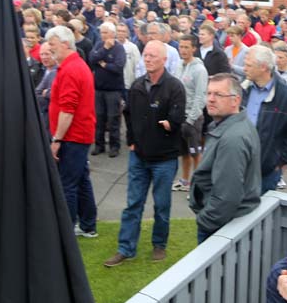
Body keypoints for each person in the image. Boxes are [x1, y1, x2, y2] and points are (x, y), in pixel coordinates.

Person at [106, 40, 186, 266]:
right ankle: (125, 248)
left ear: (164, 59)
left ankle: (159, 244)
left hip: (164, 158)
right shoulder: (137, 85)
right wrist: (131, 141)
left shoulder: (174, 87)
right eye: (146, 55)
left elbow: (178, 118)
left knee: (161, 205)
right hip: (138, 157)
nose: (148, 59)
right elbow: (128, 115)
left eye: (152, 55)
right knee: (133, 203)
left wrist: (170, 124)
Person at [189, 74, 261, 241]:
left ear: (235, 100)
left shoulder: (232, 138)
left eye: (218, 95)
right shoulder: (227, 125)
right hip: (224, 223)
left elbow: (227, 197)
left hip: (220, 227)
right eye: (208, 93)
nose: (211, 99)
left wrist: (204, 221)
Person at [46, 26, 99, 239]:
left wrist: (57, 139)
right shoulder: (73, 65)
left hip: (73, 136)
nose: (49, 49)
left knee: (67, 184)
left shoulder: (71, 69)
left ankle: (66, 230)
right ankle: (88, 225)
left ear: (65, 43)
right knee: (81, 180)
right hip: (78, 134)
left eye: (52, 44)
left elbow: (68, 110)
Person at [242, 45, 287, 194]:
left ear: (263, 67)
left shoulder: (286, 96)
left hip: (266, 172)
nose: (244, 68)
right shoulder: (243, 89)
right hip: (238, 166)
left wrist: (282, 162)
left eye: (248, 65)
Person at [172, 35, 208, 192]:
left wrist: (191, 120)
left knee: (195, 153)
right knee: (184, 153)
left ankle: (197, 185)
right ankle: (185, 181)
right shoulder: (178, 66)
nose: (183, 50)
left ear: (194, 48)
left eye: (187, 47)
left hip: (193, 120)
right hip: (179, 117)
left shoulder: (200, 69)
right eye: (181, 47)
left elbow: (201, 97)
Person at [89, 21, 127, 158]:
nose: (102, 35)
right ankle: (99, 145)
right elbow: (92, 59)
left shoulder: (119, 48)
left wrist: (104, 65)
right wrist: (104, 49)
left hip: (113, 90)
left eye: (105, 32)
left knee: (113, 119)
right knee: (99, 118)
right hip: (98, 89)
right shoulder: (99, 45)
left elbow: (118, 67)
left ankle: (114, 146)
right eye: (101, 32)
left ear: (112, 33)